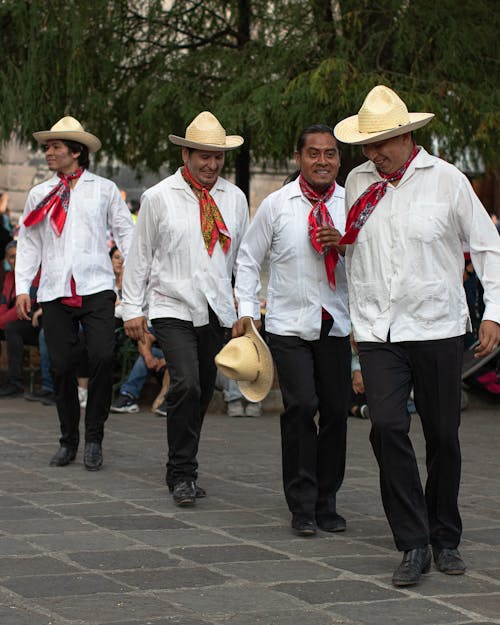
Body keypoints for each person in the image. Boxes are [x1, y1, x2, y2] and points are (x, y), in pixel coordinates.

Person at [333, 85, 500, 586]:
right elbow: (357, 256)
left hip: (437, 328)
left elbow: (488, 248)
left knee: (443, 436)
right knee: (386, 428)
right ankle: (412, 540)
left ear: (408, 136)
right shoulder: (358, 181)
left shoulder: (447, 180)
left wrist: (493, 313)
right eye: (366, 144)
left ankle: (445, 533)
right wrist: (358, 326)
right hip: (380, 332)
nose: (373, 153)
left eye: (381, 142)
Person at [121, 111, 249, 506]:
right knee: (187, 383)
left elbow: (243, 259)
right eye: (203, 156)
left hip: (217, 310)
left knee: (203, 390)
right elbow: (139, 255)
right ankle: (181, 472)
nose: (211, 165)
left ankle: (183, 464)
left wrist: (244, 309)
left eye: (218, 157)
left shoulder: (235, 198)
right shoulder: (160, 197)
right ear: (187, 154)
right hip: (170, 304)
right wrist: (131, 309)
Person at [234, 124, 351, 536]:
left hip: (335, 324)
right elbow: (248, 260)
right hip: (288, 324)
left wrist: (345, 244)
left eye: (331, 154)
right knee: (301, 407)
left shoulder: (351, 203)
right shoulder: (277, 205)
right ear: (299, 158)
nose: (323, 161)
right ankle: (302, 505)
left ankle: (326, 500)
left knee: (337, 410)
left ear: (339, 159)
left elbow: (368, 263)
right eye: (315, 154)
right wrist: (247, 313)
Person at [15, 116, 134, 471]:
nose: (49, 152)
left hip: (96, 287)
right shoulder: (40, 193)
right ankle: (69, 439)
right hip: (53, 290)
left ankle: (94, 437)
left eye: (55, 147)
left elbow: (126, 234)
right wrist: (24, 287)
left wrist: (135, 277)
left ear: (76, 151)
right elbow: (29, 243)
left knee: (100, 357)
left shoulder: (105, 189)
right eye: (48, 146)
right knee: (62, 365)